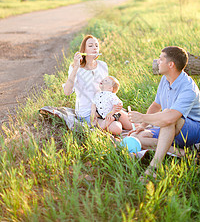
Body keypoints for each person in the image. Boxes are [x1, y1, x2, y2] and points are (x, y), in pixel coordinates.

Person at [128, 46, 200, 176]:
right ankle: (185, 155)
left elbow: (170, 117)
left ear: (170, 64)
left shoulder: (189, 88)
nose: (157, 62)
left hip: (193, 129)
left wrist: (142, 118)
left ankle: (153, 168)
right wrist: (142, 126)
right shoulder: (165, 79)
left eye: (161, 59)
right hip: (172, 125)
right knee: (136, 137)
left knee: (168, 118)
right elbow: (156, 105)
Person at [63, 35, 122, 125]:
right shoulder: (75, 68)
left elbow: (107, 90)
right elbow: (67, 92)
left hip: (103, 108)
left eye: (96, 46)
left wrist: (115, 105)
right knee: (116, 127)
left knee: (128, 120)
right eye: (90, 46)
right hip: (86, 112)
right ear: (83, 50)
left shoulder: (103, 65)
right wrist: (76, 68)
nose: (94, 48)